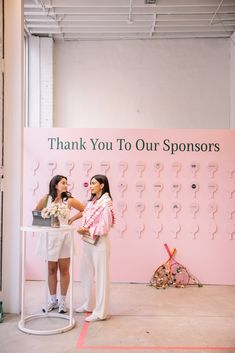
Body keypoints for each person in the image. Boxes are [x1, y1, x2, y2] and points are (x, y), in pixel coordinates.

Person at [35, 174, 84, 313]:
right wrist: (46, 223)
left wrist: (72, 219)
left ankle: (62, 302)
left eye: (67, 183)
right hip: (50, 238)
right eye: (63, 182)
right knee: (51, 270)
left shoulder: (69, 200)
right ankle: (52, 300)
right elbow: (36, 212)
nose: (66, 185)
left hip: (64, 239)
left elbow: (84, 209)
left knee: (64, 270)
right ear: (55, 184)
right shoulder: (46, 199)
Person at [75, 174, 115, 322]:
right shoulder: (93, 202)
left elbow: (105, 227)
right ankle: (88, 304)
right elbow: (87, 218)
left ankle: (100, 312)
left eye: (93, 183)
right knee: (85, 274)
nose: (90, 186)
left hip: (99, 243)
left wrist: (86, 230)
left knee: (101, 277)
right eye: (90, 183)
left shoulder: (106, 203)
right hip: (88, 243)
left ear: (102, 185)